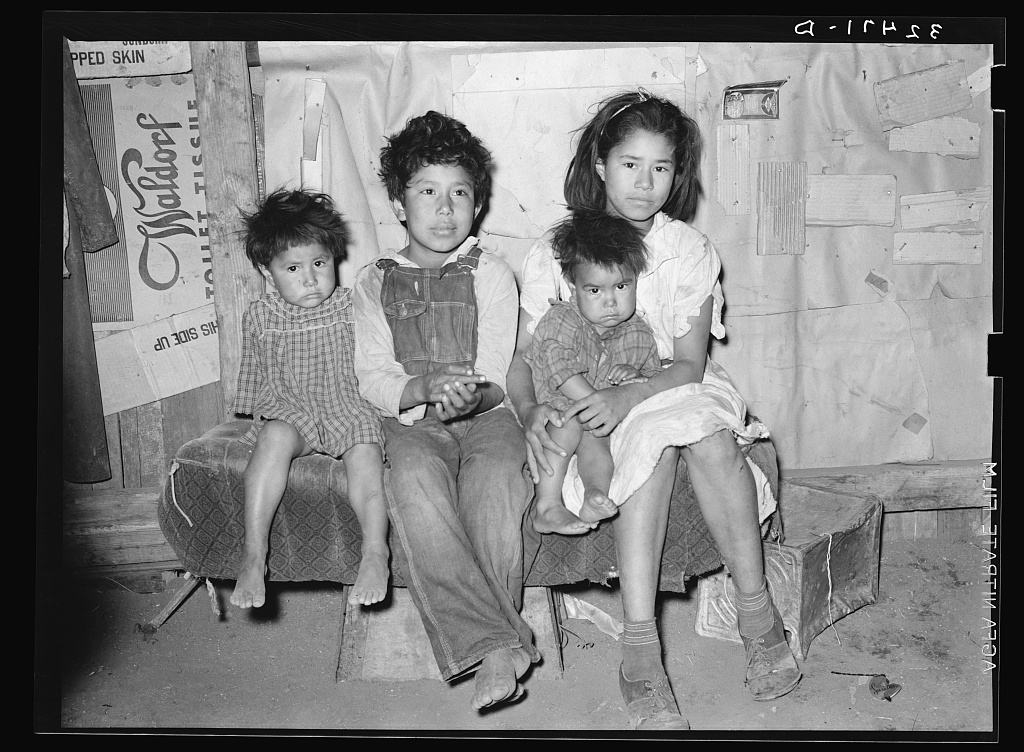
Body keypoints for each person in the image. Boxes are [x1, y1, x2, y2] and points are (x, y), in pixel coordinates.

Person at [506, 90, 800, 731]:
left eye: (661, 167)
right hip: (588, 387)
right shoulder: (557, 249)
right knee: (652, 449)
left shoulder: (688, 250)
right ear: (600, 163)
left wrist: (628, 397)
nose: (645, 182)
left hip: (668, 379)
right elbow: (526, 357)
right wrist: (528, 411)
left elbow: (689, 367)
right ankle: (641, 651)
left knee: (708, 438)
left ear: (677, 173)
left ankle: (758, 612)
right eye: (630, 163)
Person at [352, 111, 538, 711]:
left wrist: (472, 395)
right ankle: (500, 643)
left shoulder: (491, 272)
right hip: (414, 421)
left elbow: (495, 368)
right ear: (399, 205)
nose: (444, 208)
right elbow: (374, 377)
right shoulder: (372, 282)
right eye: (426, 191)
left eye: (460, 193)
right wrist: (423, 389)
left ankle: (492, 648)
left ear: (477, 206)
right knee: (413, 481)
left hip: (486, 415)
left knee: (494, 483)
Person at [229, 189, 390, 611]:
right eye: (293, 268)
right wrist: (255, 417)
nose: (310, 279)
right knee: (274, 437)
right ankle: (253, 553)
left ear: (334, 260)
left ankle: (375, 552)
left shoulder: (351, 306)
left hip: (347, 408)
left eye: (319, 264)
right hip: (292, 410)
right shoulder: (261, 316)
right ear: (267, 271)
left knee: (366, 454)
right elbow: (254, 372)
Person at [524, 208, 662, 536]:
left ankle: (595, 495)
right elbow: (561, 372)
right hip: (559, 409)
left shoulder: (638, 333)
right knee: (570, 422)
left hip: (600, 422)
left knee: (597, 443)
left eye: (621, 286)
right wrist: (599, 401)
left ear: (635, 282)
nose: (611, 302)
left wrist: (632, 377)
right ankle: (547, 506)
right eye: (595, 291)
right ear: (573, 289)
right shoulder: (561, 320)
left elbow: (652, 379)